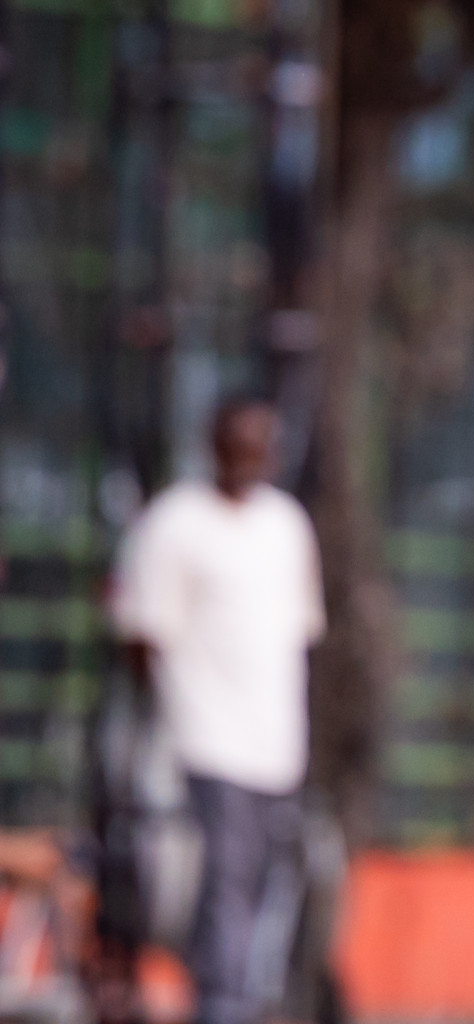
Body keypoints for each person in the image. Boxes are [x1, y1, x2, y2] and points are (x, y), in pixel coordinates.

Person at [111, 396, 326, 1024]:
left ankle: (238, 998)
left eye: (264, 443)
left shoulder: (287, 525)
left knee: (261, 889)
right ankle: (221, 1008)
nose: (252, 455)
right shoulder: (174, 523)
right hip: (207, 739)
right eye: (241, 441)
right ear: (214, 444)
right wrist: (172, 719)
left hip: (276, 744)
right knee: (224, 887)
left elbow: (299, 637)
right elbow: (142, 635)